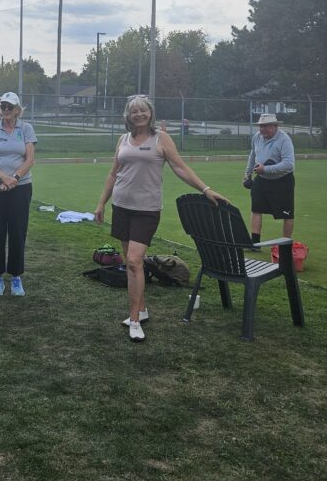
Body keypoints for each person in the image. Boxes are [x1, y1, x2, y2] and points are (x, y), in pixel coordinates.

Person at [94, 95, 228, 343]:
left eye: (143, 110)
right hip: (121, 206)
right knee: (131, 263)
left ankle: (135, 320)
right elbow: (114, 174)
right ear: (128, 115)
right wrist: (102, 203)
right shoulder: (123, 139)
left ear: (150, 113)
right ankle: (142, 309)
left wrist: (205, 189)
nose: (139, 114)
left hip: (146, 210)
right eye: (134, 111)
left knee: (134, 260)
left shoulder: (161, 138)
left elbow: (180, 168)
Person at [0, 91, 36, 296]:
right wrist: (4, 178)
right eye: (3, 106)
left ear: (17, 110)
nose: (5, 110)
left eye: (9, 107)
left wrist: (14, 179)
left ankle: (15, 277)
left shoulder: (26, 128)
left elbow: (29, 159)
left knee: (17, 232)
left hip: (20, 188)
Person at [244, 113, 295, 244]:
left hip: (282, 181)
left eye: (266, 126)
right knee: (256, 209)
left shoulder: (284, 140)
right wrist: (248, 173)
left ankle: (285, 244)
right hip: (261, 179)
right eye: (261, 126)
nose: (263, 129)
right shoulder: (257, 137)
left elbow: (289, 164)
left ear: (275, 126)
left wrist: (265, 169)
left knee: (287, 214)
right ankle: (255, 243)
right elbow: (253, 155)